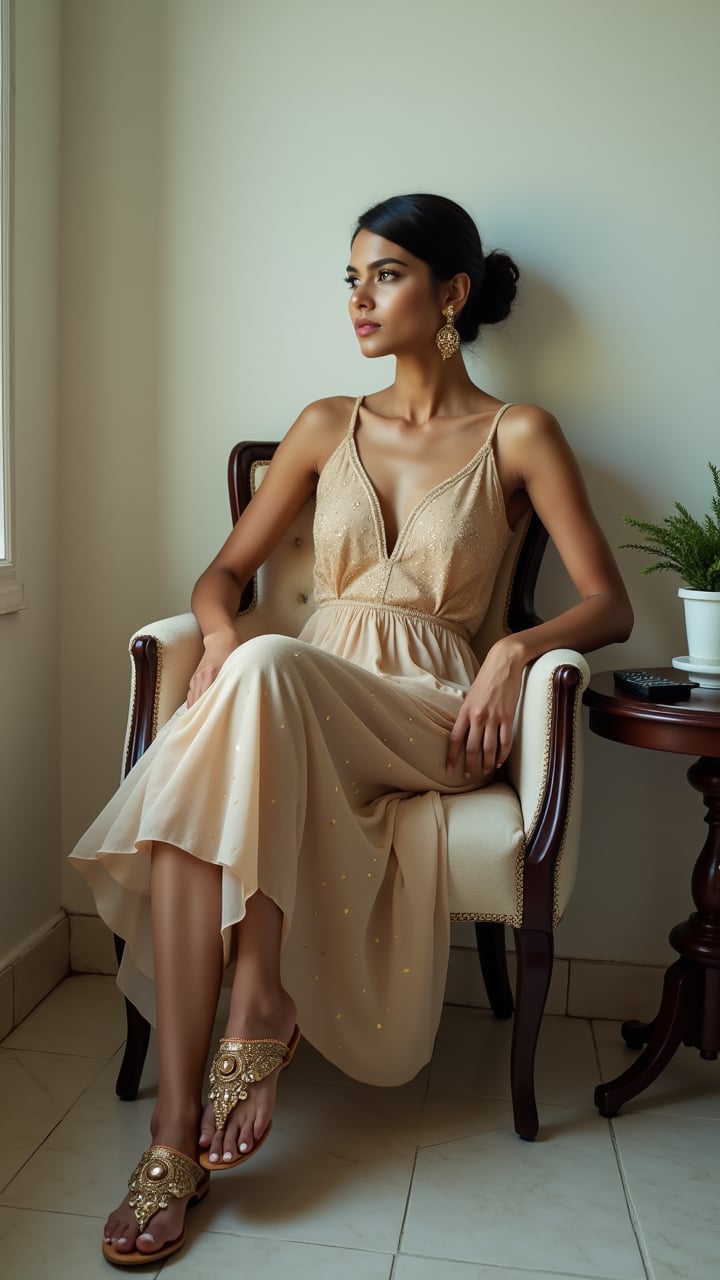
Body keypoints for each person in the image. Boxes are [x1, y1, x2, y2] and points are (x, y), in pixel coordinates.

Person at [70, 192, 633, 1266]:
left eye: (385, 276)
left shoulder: (520, 434)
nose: (359, 299)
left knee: (261, 686)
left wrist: (513, 648)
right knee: (220, 756)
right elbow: (223, 571)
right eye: (351, 278)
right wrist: (223, 635)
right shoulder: (328, 422)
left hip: (428, 709)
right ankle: (169, 1138)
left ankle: (261, 991)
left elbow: (607, 602)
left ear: (452, 293)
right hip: (290, 691)